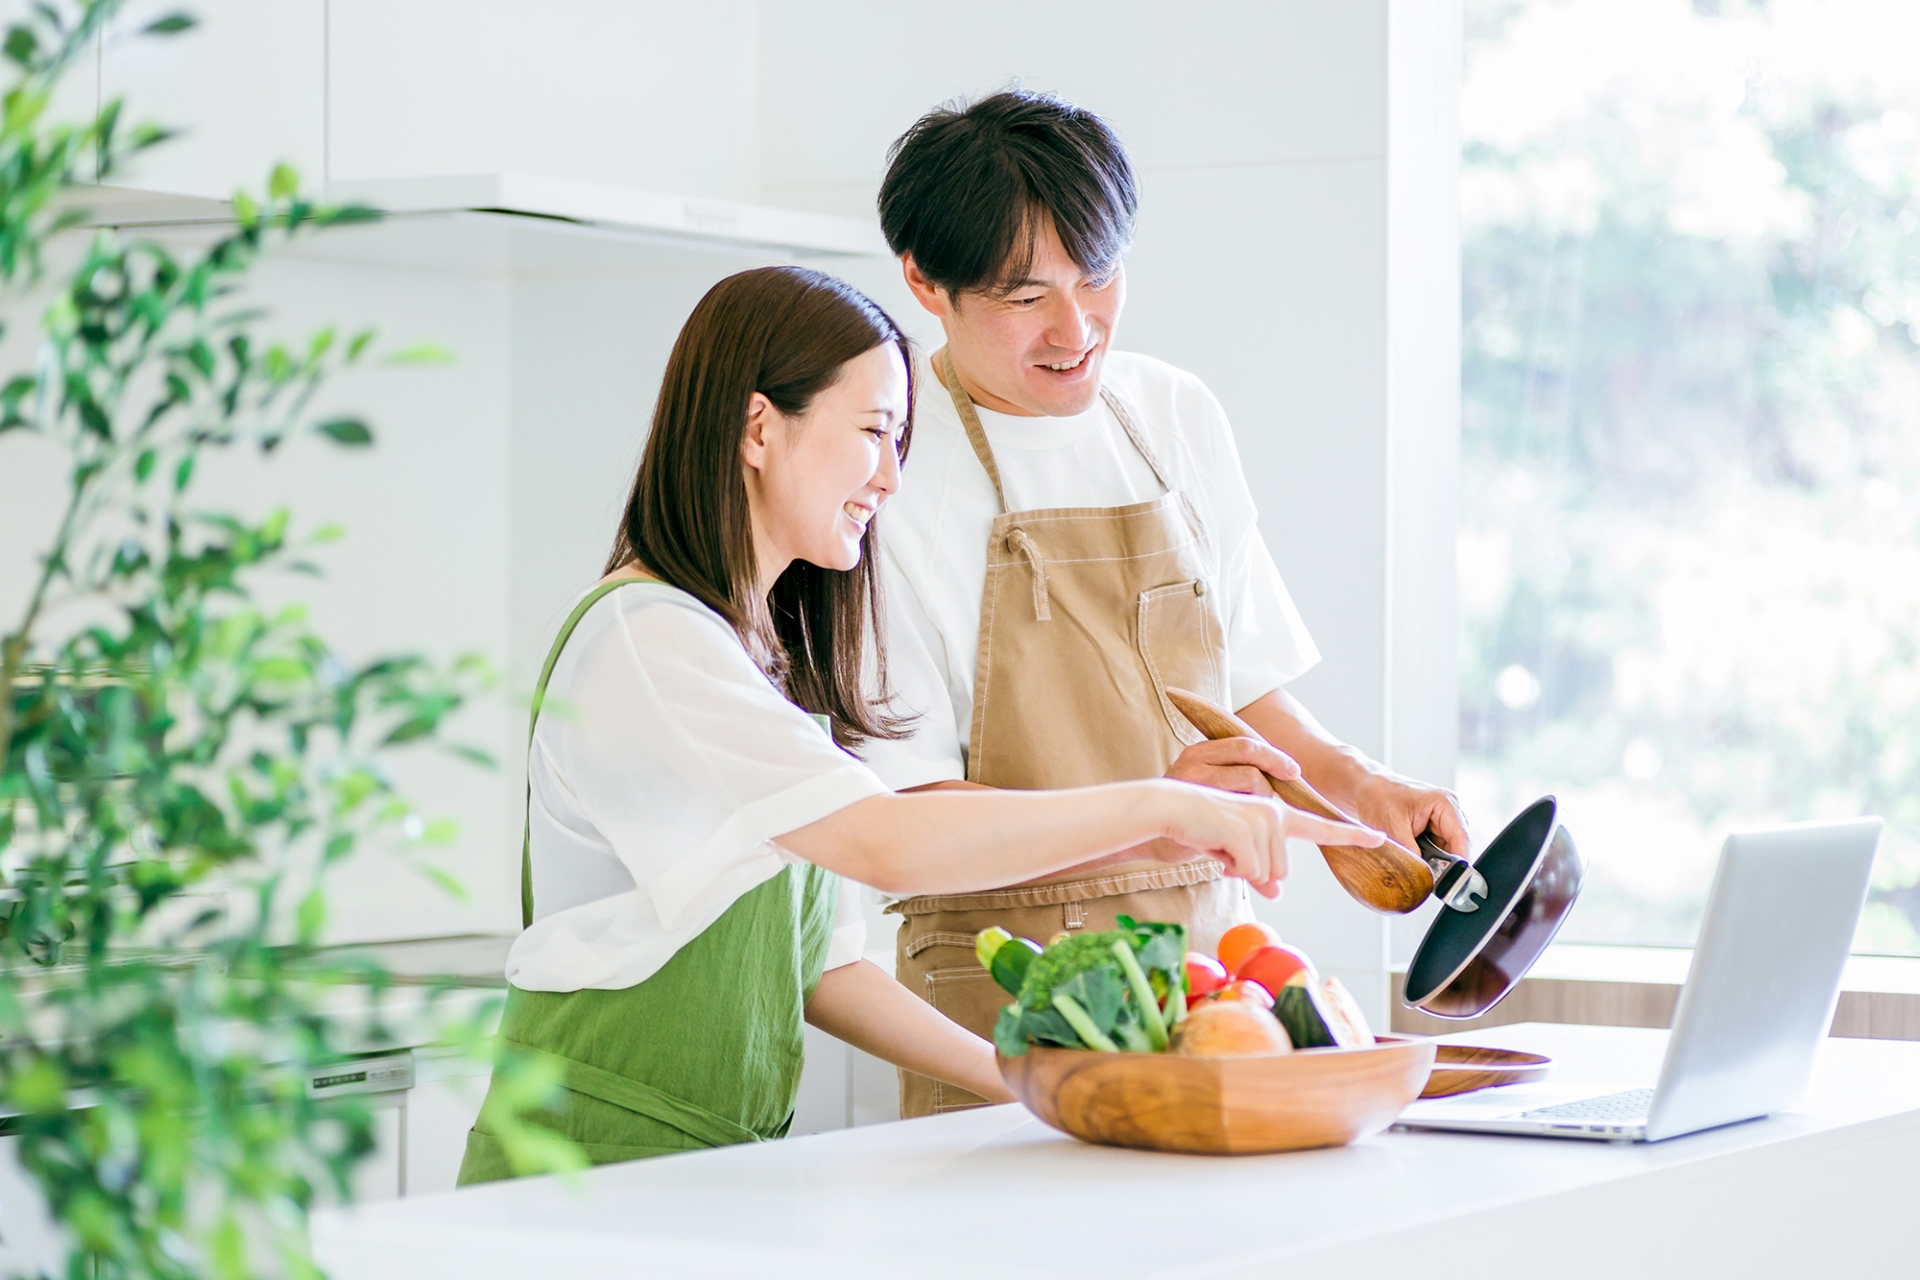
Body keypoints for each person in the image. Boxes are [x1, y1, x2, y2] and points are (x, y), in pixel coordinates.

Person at [454, 266, 1381, 1183]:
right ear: (757, 427)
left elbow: (824, 971)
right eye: (874, 434)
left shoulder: (758, 660)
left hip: (704, 1165)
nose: (892, 478)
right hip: (585, 1163)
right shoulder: (650, 638)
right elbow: (890, 842)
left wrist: (1033, 1083)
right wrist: (1165, 807)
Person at [863, 91, 1471, 1115]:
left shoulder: (1173, 414)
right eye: (1025, 297)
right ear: (927, 280)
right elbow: (912, 814)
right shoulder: (888, 469)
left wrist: (1353, 783)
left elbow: (1235, 685)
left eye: (1100, 277)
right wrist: (1163, 817)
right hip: (1010, 985)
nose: (1075, 327)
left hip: (1209, 964)